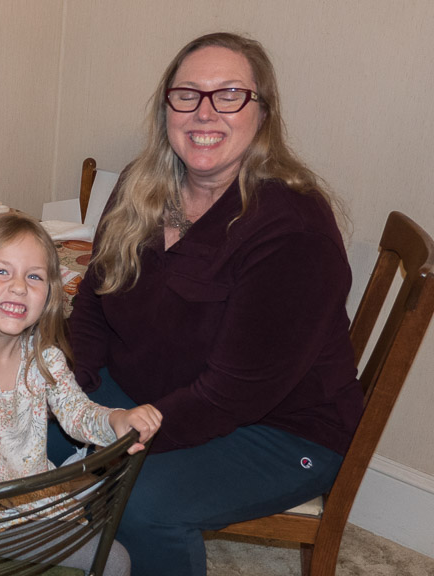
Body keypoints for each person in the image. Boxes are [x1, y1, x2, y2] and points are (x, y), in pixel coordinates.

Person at [48, 32, 365, 576]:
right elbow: (95, 302)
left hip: (279, 430)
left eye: (230, 95)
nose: (204, 111)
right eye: (187, 94)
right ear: (166, 107)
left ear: (263, 112)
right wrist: (80, 396)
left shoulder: (292, 229)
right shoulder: (141, 187)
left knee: (137, 501)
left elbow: (230, 397)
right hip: (149, 393)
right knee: (14, 417)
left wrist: (116, 442)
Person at [0, 213, 162, 575]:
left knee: (102, 500)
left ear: (49, 295)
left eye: (34, 276)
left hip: (32, 490)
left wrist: (117, 419)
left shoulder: (44, 356)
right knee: (116, 559)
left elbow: (77, 412)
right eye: (2, 271)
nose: (18, 287)